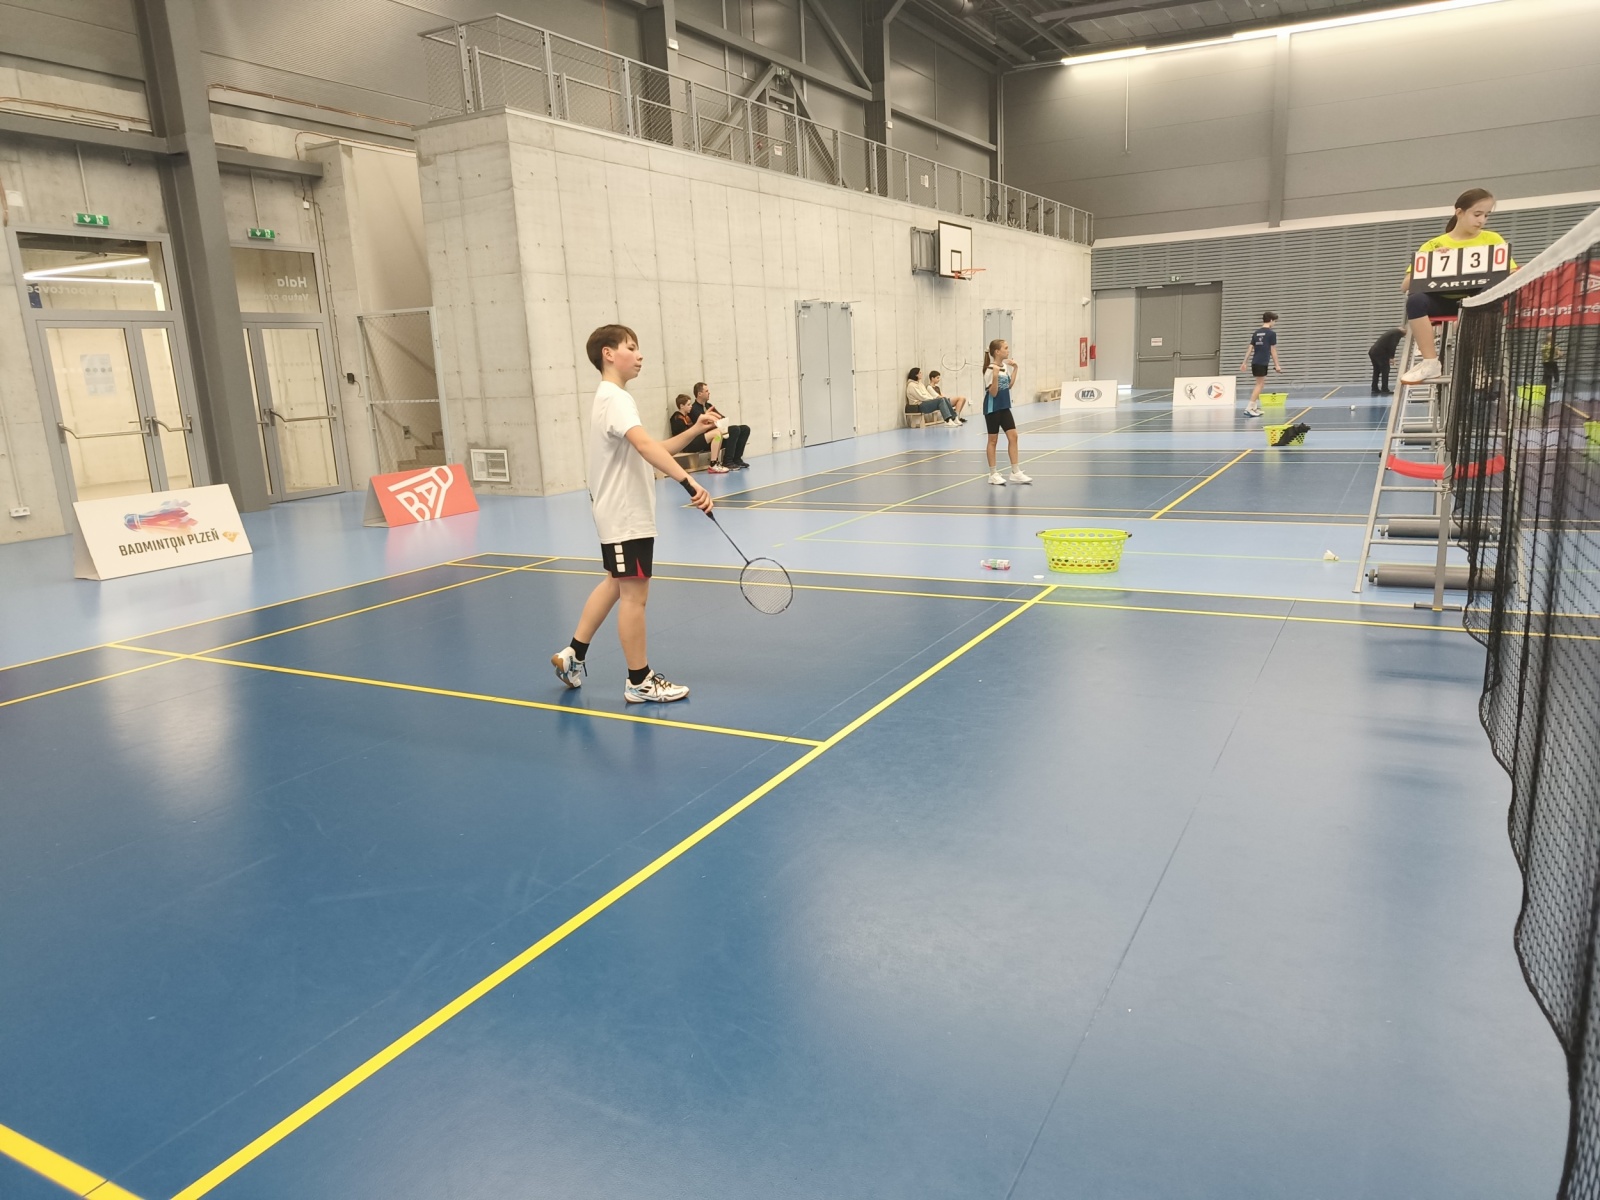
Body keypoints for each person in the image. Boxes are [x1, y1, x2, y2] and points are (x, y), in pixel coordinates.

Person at [551, 324, 716, 704]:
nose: (639, 355)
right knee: (634, 597)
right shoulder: (616, 398)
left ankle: (573, 654)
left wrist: (693, 431)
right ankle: (639, 680)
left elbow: (650, 447)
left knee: (616, 582)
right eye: (631, 347)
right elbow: (644, 447)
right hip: (626, 515)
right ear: (608, 354)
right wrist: (690, 482)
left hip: (620, 513)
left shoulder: (611, 398)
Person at [1399, 188, 1517, 385]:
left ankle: (1476, 364)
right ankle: (1430, 363)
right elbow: (1405, 286)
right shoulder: (1433, 245)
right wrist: (1432, 262)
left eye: (1486, 215)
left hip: (1477, 302)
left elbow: (1511, 273)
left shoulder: (1493, 240)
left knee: (1490, 294)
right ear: (1459, 212)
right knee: (1415, 300)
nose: (1482, 220)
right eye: (1477, 214)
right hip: (1442, 302)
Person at [982, 339, 1030, 485]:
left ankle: (1015, 472)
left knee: (1013, 436)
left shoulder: (1003, 367)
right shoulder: (989, 370)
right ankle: (993, 474)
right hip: (992, 408)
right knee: (993, 440)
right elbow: (993, 393)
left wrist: (1015, 368)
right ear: (997, 351)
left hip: (1004, 407)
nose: (1008, 350)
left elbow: (1009, 385)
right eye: (1006, 348)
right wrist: (995, 376)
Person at [691, 383, 750, 469]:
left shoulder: (709, 406)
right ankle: (727, 461)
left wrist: (716, 420)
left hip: (718, 435)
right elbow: (704, 423)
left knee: (745, 429)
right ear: (699, 394)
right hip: (708, 439)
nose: (709, 393)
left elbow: (721, 418)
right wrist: (714, 420)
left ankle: (737, 459)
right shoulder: (694, 409)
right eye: (706, 391)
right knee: (734, 429)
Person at [669, 393, 728, 473]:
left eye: (690, 404)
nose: (691, 406)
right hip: (686, 445)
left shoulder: (687, 417)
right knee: (716, 434)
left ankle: (715, 461)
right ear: (682, 406)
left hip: (692, 441)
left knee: (718, 433)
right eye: (688, 404)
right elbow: (684, 435)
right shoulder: (676, 418)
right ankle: (713, 464)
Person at [1238, 311, 1282, 418]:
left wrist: (1244, 362)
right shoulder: (1271, 334)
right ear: (1271, 320)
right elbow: (1273, 350)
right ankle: (1249, 408)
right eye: (1274, 321)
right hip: (1262, 362)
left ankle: (1254, 407)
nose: (1274, 323)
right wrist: (1277, 365)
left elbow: (1250, 348)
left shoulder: (1256, 333)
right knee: (1259, 384)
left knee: (1261, 384)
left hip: (1255, 361)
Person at [1369, 326, 1404, 395]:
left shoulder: (1392, 331)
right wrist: (1391, 357)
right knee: (1385, 370)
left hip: (1373, 351)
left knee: (1376, 370)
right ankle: (1385, 389)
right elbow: (1393, 345)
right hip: (1379, 352)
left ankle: (1374, 388)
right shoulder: (1397, 333)